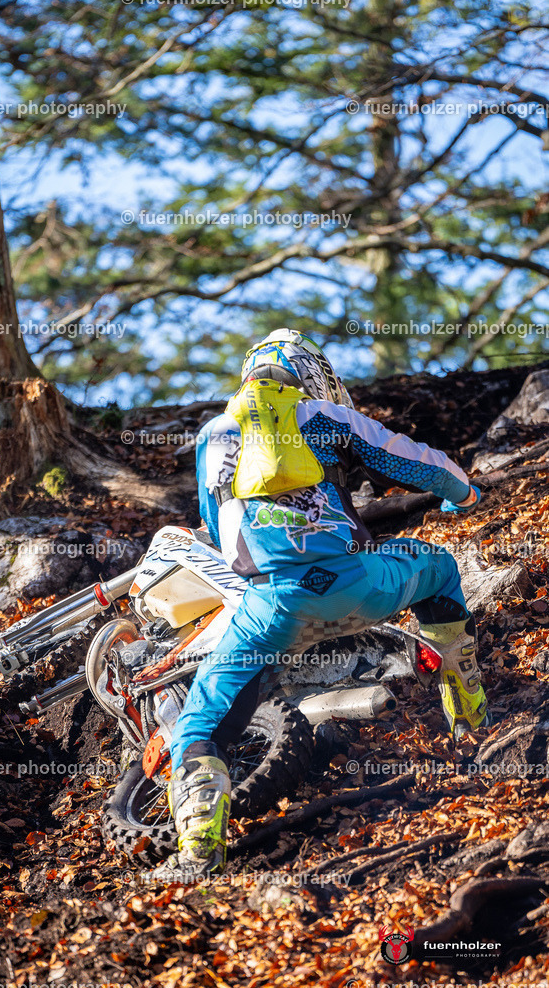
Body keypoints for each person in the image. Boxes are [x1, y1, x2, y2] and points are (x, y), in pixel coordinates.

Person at [153, 328, 486, 884]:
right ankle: (469, 715)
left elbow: (216, 523)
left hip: (271, 608)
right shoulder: (327, 416)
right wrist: (465, 494)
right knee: (438, 568)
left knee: (201, 720)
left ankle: (198, 849)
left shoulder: (214, 434)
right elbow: (419, 464)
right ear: (312, 373)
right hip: (360, 586)